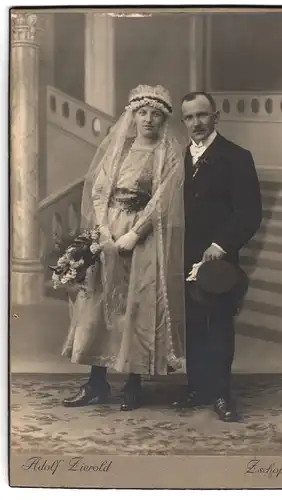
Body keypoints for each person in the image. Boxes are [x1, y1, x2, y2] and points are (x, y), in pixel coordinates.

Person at [61, 84, 186, 411]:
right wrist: (103, 231)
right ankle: (96, 383)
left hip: (141, 236)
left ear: (163, 120)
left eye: (155, 115)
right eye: (142, 113)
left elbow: (162, 200)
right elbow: (100, 192)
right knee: (99, 305)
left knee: (136, 305)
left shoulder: (167, 153)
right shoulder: (120, 148)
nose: (148, 120)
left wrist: (135, 234)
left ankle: (133, 383)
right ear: (133, 115)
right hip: (108, 232)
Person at [172, 91, 262, 421]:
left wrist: (220, 246)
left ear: (215, 116)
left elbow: (250, 212)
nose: (196, 123)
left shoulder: (237, 157)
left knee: (220, 326)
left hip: (220, 261)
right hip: (182, 256)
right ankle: (197, 388)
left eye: (202, 115)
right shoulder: (177, 159)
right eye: (190, 117)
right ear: (183, 122)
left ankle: (222, 395)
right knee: (194, 325)